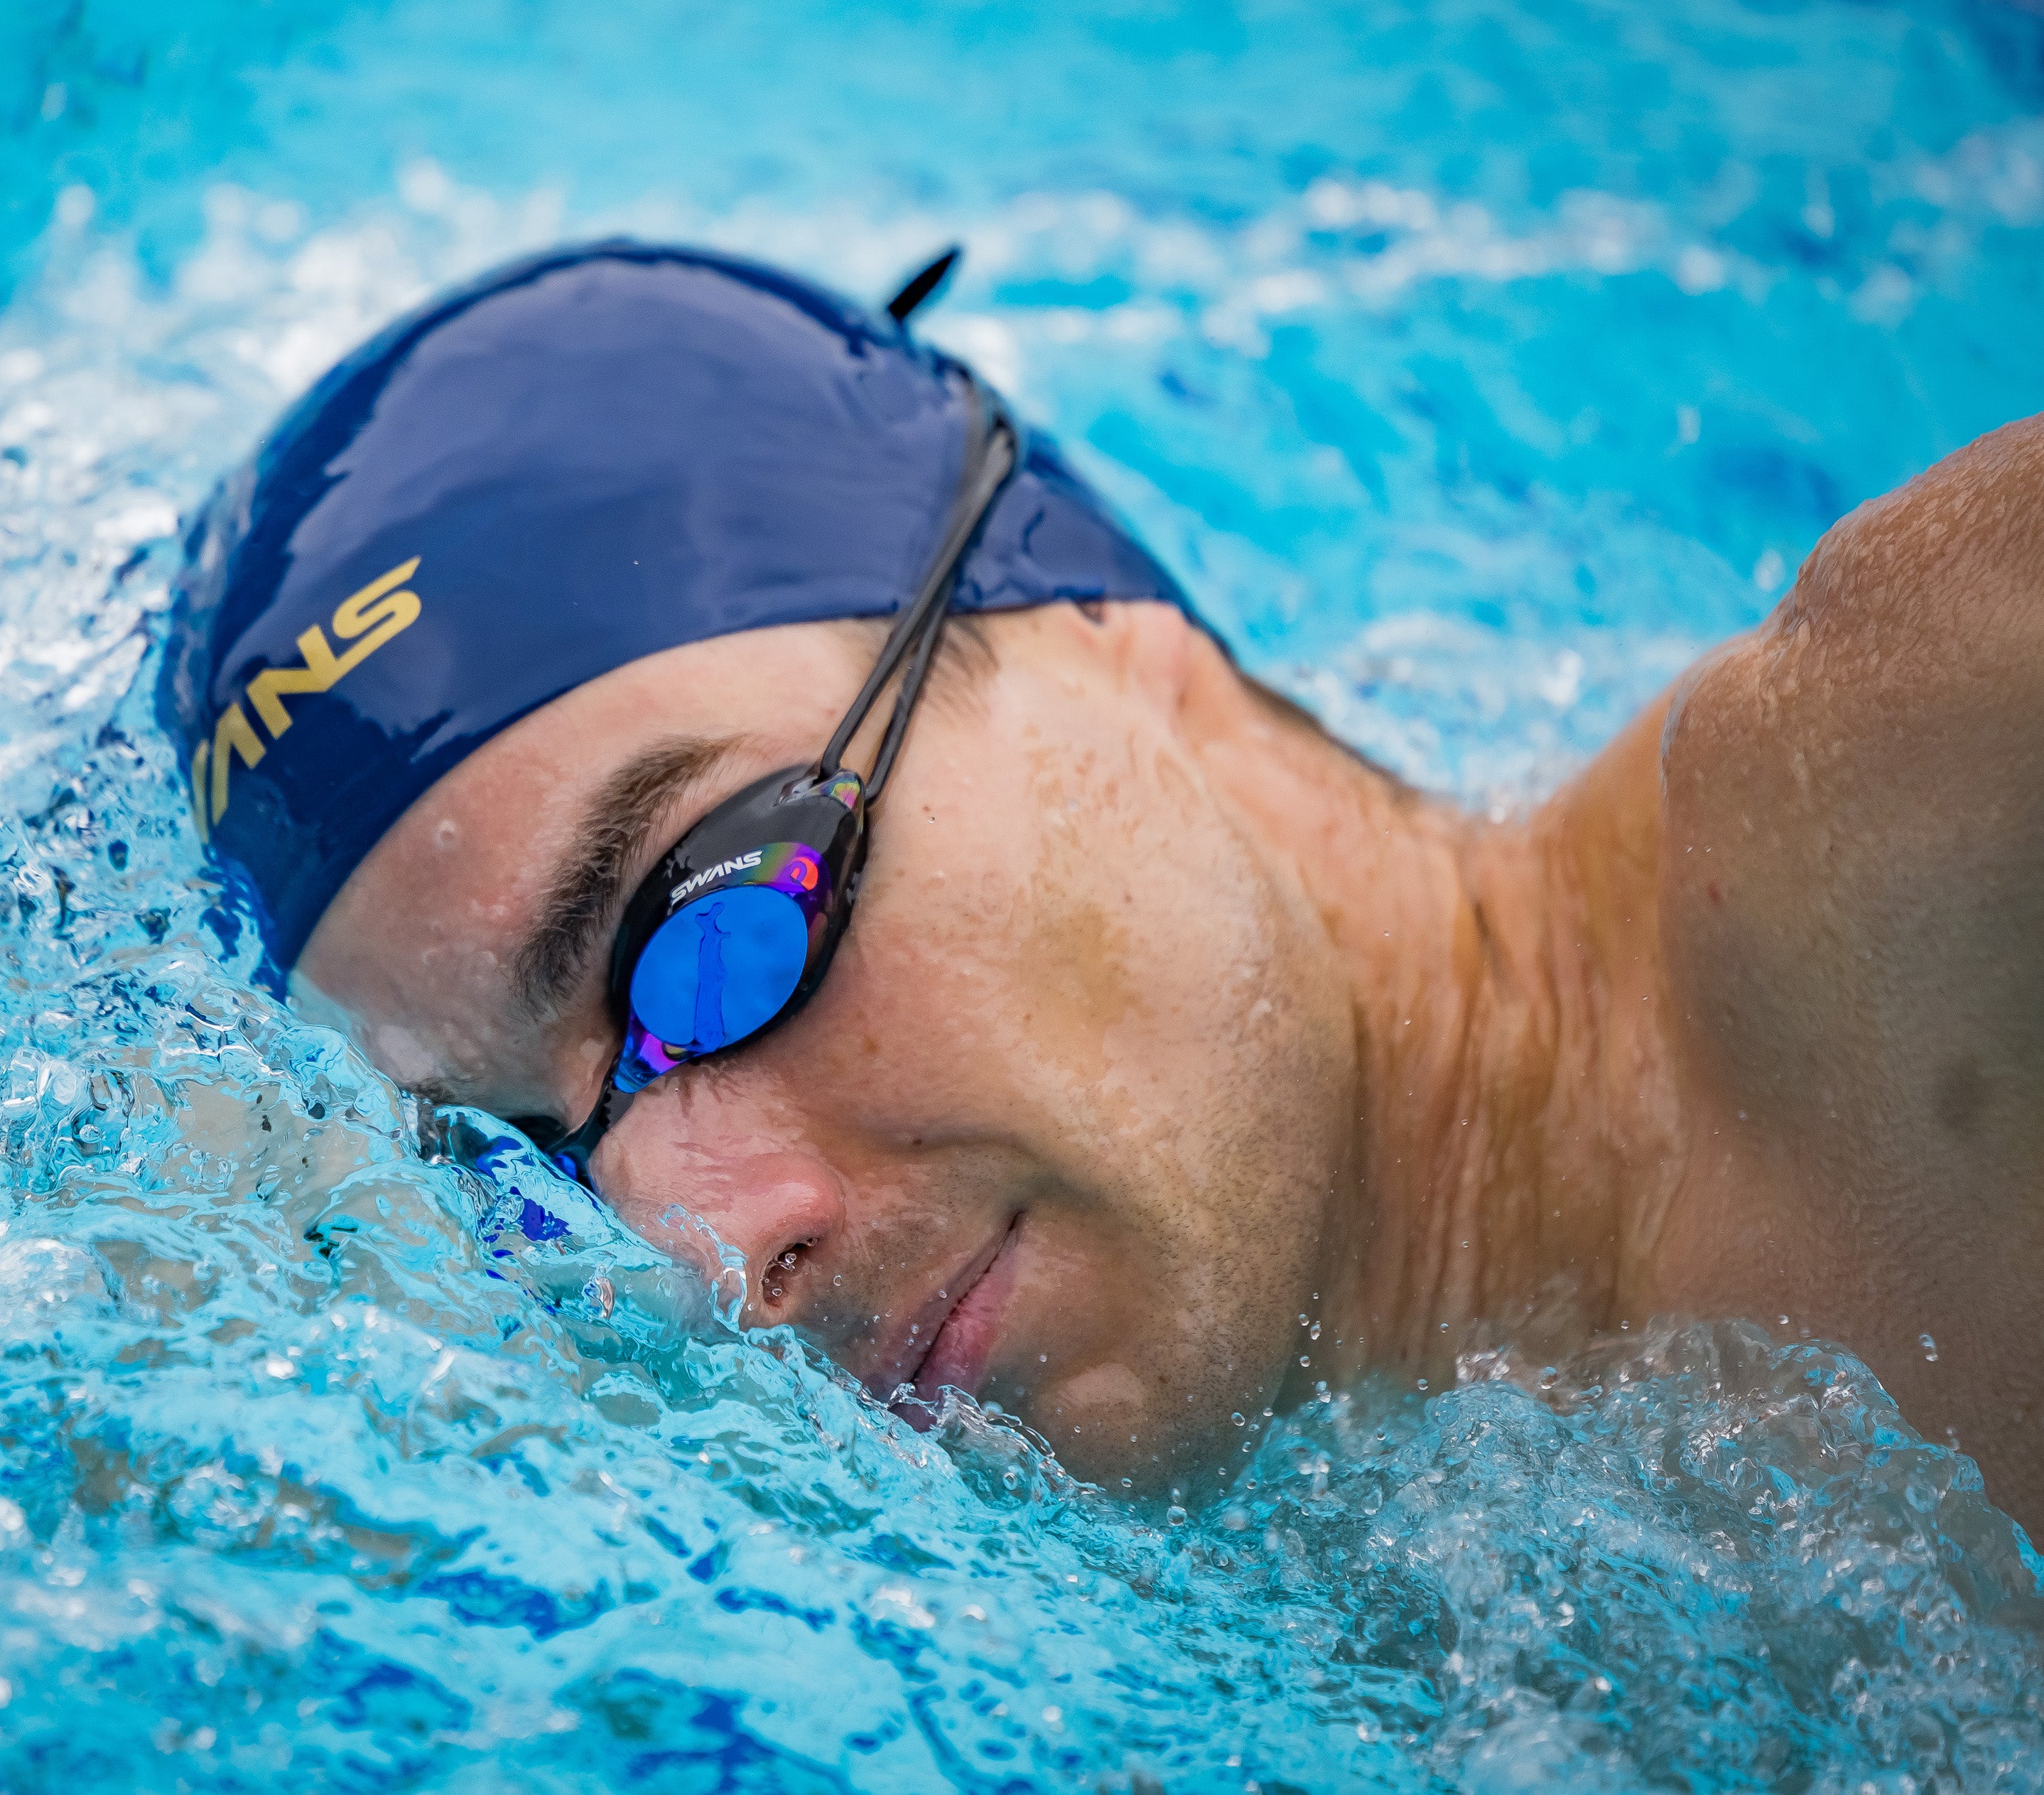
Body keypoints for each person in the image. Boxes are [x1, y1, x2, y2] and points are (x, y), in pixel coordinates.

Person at [164, 240, 2044, 1521]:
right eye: (533, 1160)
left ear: (1094, 628)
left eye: (709, 937)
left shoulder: (1925, 790)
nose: (707, 1257)